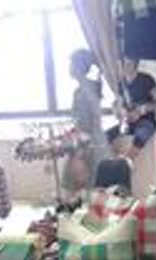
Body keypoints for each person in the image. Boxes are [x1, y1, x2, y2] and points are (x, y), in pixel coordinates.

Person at [62, 49, 108, 202]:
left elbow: (86, 127)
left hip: (87, 147)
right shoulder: (90, 87)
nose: (69, 67)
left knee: (72, 190)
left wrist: (79, 156)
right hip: (96, 144)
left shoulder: (83, 92)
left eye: (71, 63)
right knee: (91, 194)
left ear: (78, 66)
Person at [106, 58, 156, 162]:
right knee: (106, 136)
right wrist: (117, 110)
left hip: (145, 121)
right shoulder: (121, 83)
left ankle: (126, 163)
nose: (124, 66)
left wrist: (141, 110)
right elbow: (119, 103)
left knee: (141, 134)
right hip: (128, 123)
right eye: (122, 63)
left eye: (128, 63)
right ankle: (113, 162)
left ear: (135, 63)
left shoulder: (147, 79)